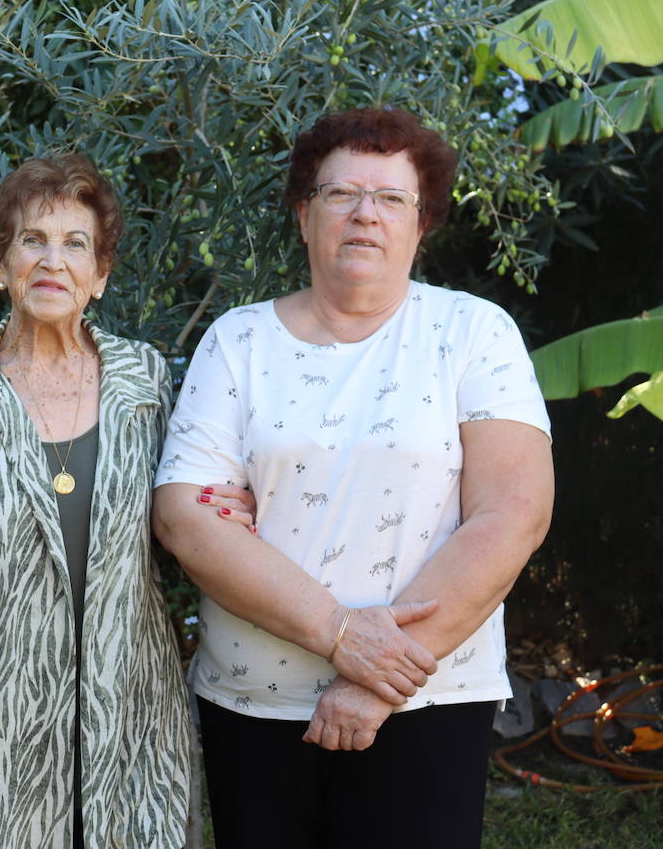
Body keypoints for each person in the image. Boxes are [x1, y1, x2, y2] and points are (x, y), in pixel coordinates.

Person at [151, 108, 554, 848]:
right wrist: (340, 634)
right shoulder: (236, 342)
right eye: (341, 195)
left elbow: (514, 513)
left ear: (422, 223)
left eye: (391, 198)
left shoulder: (475, 334)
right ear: (304, 216)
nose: (366, 214)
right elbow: (185, 516)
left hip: (427, 702)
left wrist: (373, 677)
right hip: (254, 706)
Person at [0, 154, 253, 848]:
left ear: (100, 276)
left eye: (76, 245)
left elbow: (186, 508)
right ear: (0, 264)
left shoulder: (145, 383)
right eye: (31, 240)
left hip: (126, 711)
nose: (51, 261)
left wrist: (231, 509)